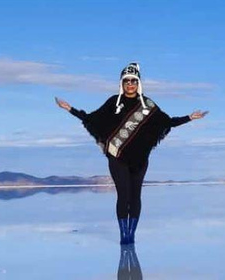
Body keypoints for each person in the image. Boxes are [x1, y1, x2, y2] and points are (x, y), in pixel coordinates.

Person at [55, 62, 208, 245]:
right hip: (117, 157)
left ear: (138, 83)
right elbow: (93, 119)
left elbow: (167, 122)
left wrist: (190, 118)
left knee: (135, 196)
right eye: (126, 81)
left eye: (133, 81)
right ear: (122, 83)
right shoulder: (114, 102)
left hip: (140, 159)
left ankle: (132, 235)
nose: (130, 84)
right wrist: (70, 109)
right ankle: (123, 235)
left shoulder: (148, 105)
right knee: (123, 195)